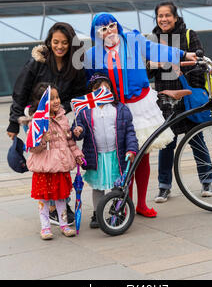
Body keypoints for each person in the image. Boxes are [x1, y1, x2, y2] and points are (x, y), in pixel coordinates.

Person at [84, 12, 196, 218]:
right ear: (97, 34)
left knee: (142, 156)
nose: (110, 31)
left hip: (140, 105)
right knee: (124, 160)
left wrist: (182, 55)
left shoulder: (133, 40)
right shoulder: (92, 55)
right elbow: (91, 83)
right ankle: (126, 203)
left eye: (112, 25)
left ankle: (141, 204)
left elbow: (155, 50)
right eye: (103, 29)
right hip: (116, 109)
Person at [6, 22, 87, 225]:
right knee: (45, 165)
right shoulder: (37, 61)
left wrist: (60, 110)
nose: (59, 46)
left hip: (59, 120)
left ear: (71, 44)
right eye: (56, 42)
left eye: (64, 43)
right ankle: (54, 207)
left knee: (60, 163)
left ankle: (60, 204)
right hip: (36, 120)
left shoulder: (75, 65)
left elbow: (79, 95)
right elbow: (20, 92)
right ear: (49, 41)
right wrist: (13, 123)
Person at [147, 1, 212, 203]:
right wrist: (156, 64)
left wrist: (190, 90)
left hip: (187, 95)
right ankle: (164, 186)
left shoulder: (188, 35)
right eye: (160, 16)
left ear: (175, 17)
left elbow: (199, 64)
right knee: (166, 143)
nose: (164, 19)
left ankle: (207, 180)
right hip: (165, 98)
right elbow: (147, 70)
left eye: (167, 15)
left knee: (196, 139)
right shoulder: (153, 39)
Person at [73, 73, 139, 228]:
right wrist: (78, 131)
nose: (103, 90)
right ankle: (97, 213)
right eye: (98, 88)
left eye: (106, 87)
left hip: (117, 155)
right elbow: (80, 130)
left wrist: (131, 149)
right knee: (98, 187)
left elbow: (130, 131)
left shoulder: (120, 108)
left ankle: (118, 211)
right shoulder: (85, 111)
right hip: (97, 156)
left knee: (118, 186)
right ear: (92, 92)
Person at [26, 82, 84, 240]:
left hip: (61, 165)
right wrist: (42, 140)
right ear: (41, 102)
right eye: (51, 99)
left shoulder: (63, 118)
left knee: (61, 197)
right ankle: (45, 227)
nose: (56, 101)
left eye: (57, 97)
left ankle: (64, 224)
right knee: (44, 199)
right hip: (44, 167)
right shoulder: (36, 122)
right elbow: (32, 148)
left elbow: (69, 141)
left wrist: (77, 153)